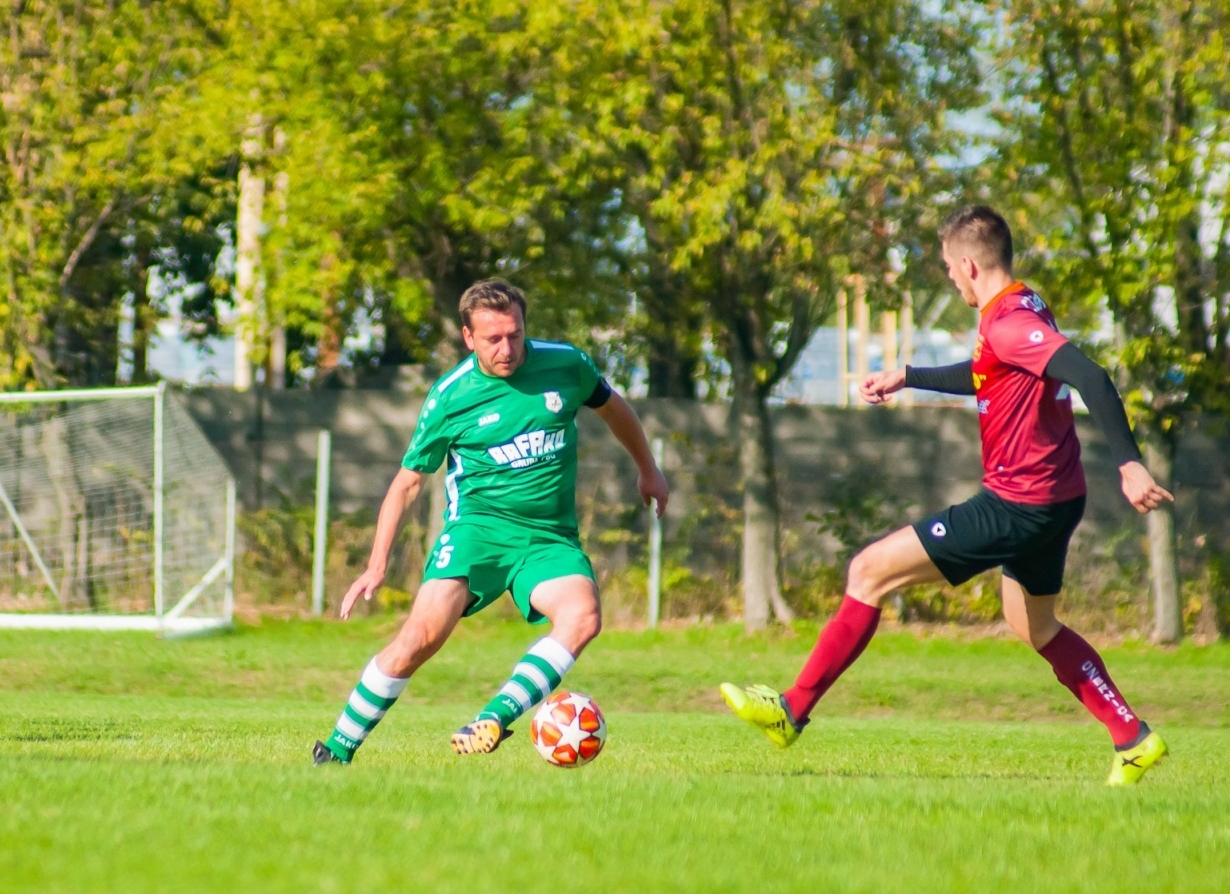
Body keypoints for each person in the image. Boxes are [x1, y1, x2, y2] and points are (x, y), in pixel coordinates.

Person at [721, 205, 1174, 786]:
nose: (949, 278)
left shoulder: (1009, 323)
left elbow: (1092, 376)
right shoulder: (1022, 306)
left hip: (1018, 503)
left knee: (868, 572)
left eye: (947, 268)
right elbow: (990, 371)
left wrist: (1131, 464)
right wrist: (908, 375)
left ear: (967, 263)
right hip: (1057, 499)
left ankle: (791, 709)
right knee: (1036, 626)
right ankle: (1133, 738)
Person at [313, 279, 670, 765]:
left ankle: (494, 717)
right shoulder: (450, 397)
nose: (507, 349)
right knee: (418, 639)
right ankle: (336, 748)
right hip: (475, 532)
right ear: (468, 337)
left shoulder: (567, 364)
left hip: (548, 538)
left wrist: (648, 469)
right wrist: (377, 566)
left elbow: (615, 410)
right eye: (493, 339)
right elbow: (406, 484)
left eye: (515, 335)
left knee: (583, 617)